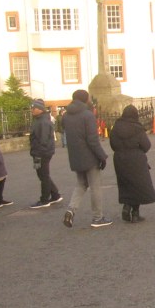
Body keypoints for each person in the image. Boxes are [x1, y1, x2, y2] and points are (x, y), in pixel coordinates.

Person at [61, 90, 112, 229]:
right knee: (95, 187)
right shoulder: (87, 115)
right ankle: (97, 217)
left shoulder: (66, 116)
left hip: (75, 155)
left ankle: (71, 209)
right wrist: (102, 156)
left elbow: (63, 130)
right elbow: (93, 140)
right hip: (89, 155)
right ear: (85, 99)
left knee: (81, 184)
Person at [109, 104, 155, 223]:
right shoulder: (137, 127)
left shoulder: (116, 127)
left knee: (125, 184)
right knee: (137, 185)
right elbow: (146, 145)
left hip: (120, 158)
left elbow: (113, 145)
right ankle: (135, 213)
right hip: (136, 159)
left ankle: (127, 206)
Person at [28, 99, 62, 209]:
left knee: (43, 175)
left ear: (40, 109)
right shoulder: (40, 120)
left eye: (34, 108)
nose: (32, 110)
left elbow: (43, 139)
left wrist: (38, 153)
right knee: (42, 174)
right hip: (40, 152)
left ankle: (44, 199)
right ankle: (55, 195)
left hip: (41, 152)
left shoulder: (42, 122)